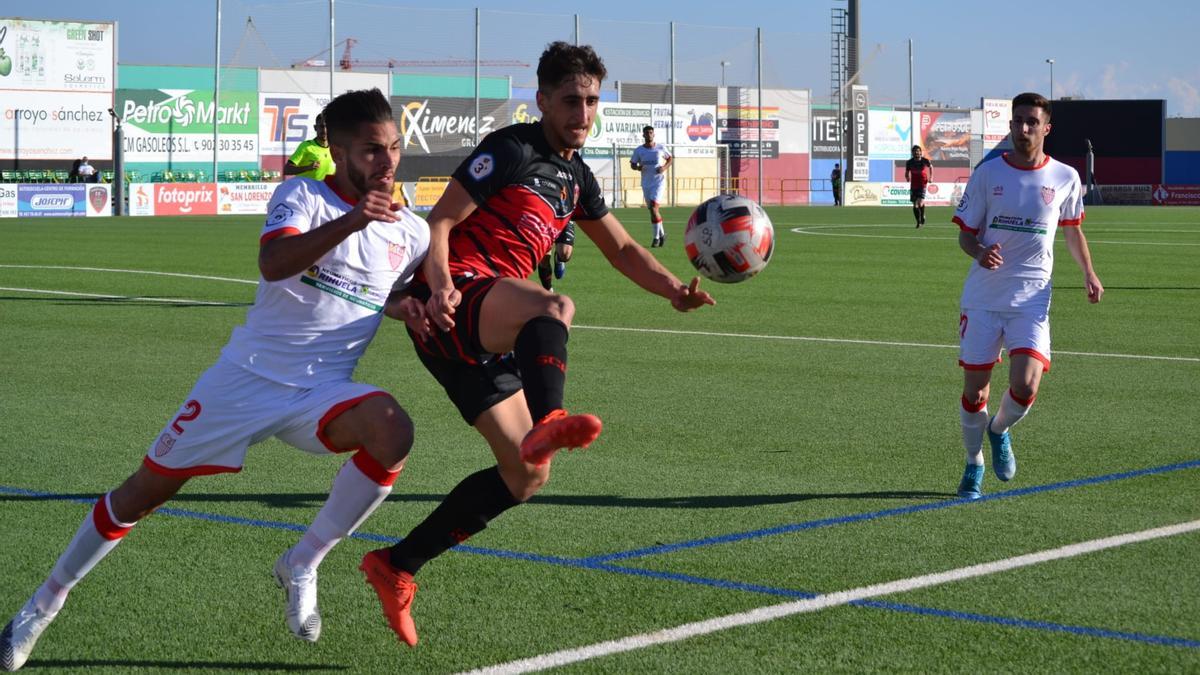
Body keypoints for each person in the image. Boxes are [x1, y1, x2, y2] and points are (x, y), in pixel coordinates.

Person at [0, 88, 431, 671]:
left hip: (322, 391)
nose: (386, 162)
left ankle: (302, 560)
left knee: (393, 428)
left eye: (394, 149)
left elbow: (380, 287)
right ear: (339, 148)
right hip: (245, 380)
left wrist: (410, 306)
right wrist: (354, 220)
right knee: (141, 494)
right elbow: (275, 265)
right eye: (371, 150)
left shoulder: (412, 231)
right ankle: (41, 607)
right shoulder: (300, 194)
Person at [357, 41, 714, 648]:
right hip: (459, 295)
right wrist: (440, 284)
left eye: (593, 101)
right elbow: (440, 221)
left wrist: (674, 291)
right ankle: (552, 415)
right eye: (571, 99)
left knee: (526, 474)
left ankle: (397, 565)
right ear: (543, 99)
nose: (583, 111)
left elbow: (623, 251)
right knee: (554, 306)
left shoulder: (576, 179)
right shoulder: (511, 149)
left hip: (483, 329)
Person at [952, 91, 1103, 500]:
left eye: (1031, 122)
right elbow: (965, 235)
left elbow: (1072, 230)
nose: (1023, 128)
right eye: (1017, 121)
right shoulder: (988, 174)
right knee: (975, 393)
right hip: (983, 298)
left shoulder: (1065, 177)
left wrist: (1089, 272)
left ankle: (998, 430)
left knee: (1026, 384)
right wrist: (980, 252)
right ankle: (973, 465)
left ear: (1046, 128)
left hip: (1032, 299)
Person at [629, 125, 673, 247]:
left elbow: (670, 159)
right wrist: (638, 167)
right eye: (646, 133)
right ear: (643, 135)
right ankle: (663, 234)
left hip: (658, 182)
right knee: (653, 211)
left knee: (654, 208)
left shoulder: (660, 148)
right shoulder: (639, 150)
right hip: (646, 183)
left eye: (651, 132)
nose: (649, 134)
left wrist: (664, 167)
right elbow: (632, 164)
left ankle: (656, 238)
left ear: (654, 134)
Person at [284, 113, 335, 180]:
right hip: (308, 190)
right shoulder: (306, 146)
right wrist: (307, 168)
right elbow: (287, 170)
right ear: (315, 128)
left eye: (327, 127)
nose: (325, 130)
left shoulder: (335, 148)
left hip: (326, 190)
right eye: (321, 126)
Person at [537, 221, 574, 291]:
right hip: (542, 219)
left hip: (563, 217)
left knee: (565, 254)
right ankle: (548, 289)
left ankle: (558, 258)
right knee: (543, 258)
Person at [904, 145, 932, 227]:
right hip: (914, 185)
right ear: (912, 153)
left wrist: (931, 177)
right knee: (915, 204)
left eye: (918, 151)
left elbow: (931, 167)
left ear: (920, 152)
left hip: (923, 184)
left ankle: (922, 216)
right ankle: (918, 221)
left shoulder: (925, 160)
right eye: (915, 151)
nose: (917, 152)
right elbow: (907, 171)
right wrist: (907, 176)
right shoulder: (909, 162)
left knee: (920, 203)